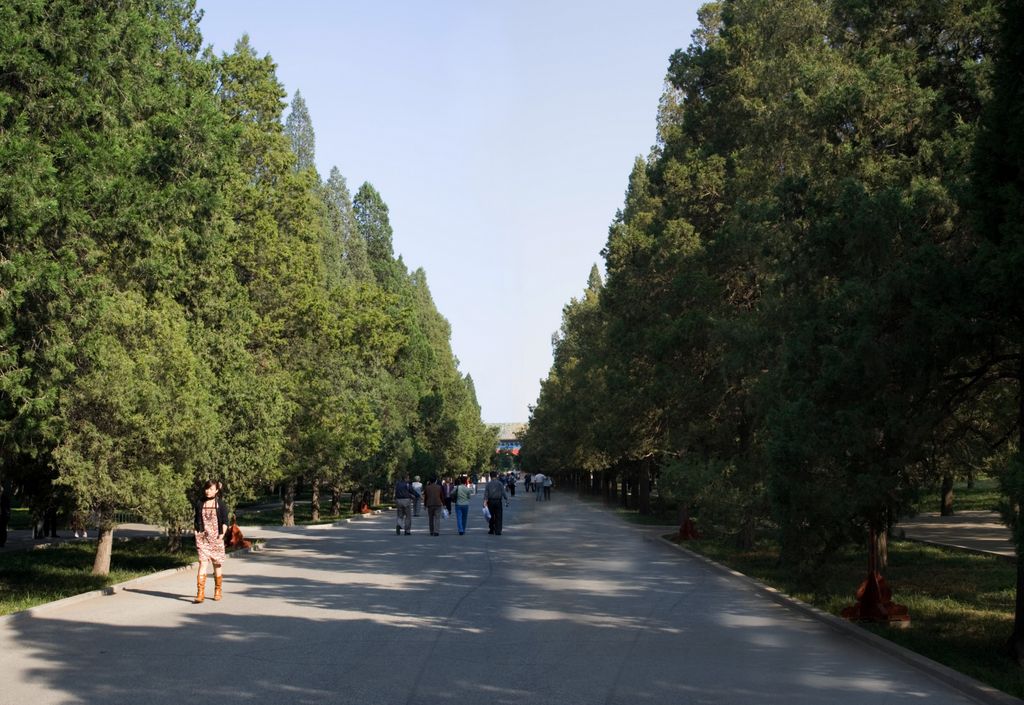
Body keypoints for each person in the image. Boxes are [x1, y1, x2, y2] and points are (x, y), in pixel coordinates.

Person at [193, 480, 228, 603]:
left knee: (217, 564)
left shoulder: (221, 505)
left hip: (216, 538)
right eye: (207, 489)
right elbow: (197, 520)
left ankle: (218, 590)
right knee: (202, 563)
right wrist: (197, 532)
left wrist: (221, 535)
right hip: (203, 538)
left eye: (211, 489)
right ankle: (200, 593)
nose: (208, 491)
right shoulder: (200, 503)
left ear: (216, 490)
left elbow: (225, 522)